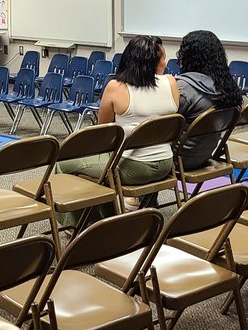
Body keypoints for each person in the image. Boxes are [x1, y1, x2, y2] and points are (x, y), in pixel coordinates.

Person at [55, 35, 177, 225]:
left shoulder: (115, 88)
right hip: (166, 163)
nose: (165, 62)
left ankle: (82, 225)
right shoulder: (171, 83)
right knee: (104, 168)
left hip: (134, 168)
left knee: (64, 161)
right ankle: (108, 218)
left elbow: (103, 133)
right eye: (162, 58)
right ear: (154, 62)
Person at [173, 30, 245, 169]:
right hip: (206, 153)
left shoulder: (184, 88)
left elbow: (165, 125)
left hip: (180, 158)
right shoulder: (225, 87)